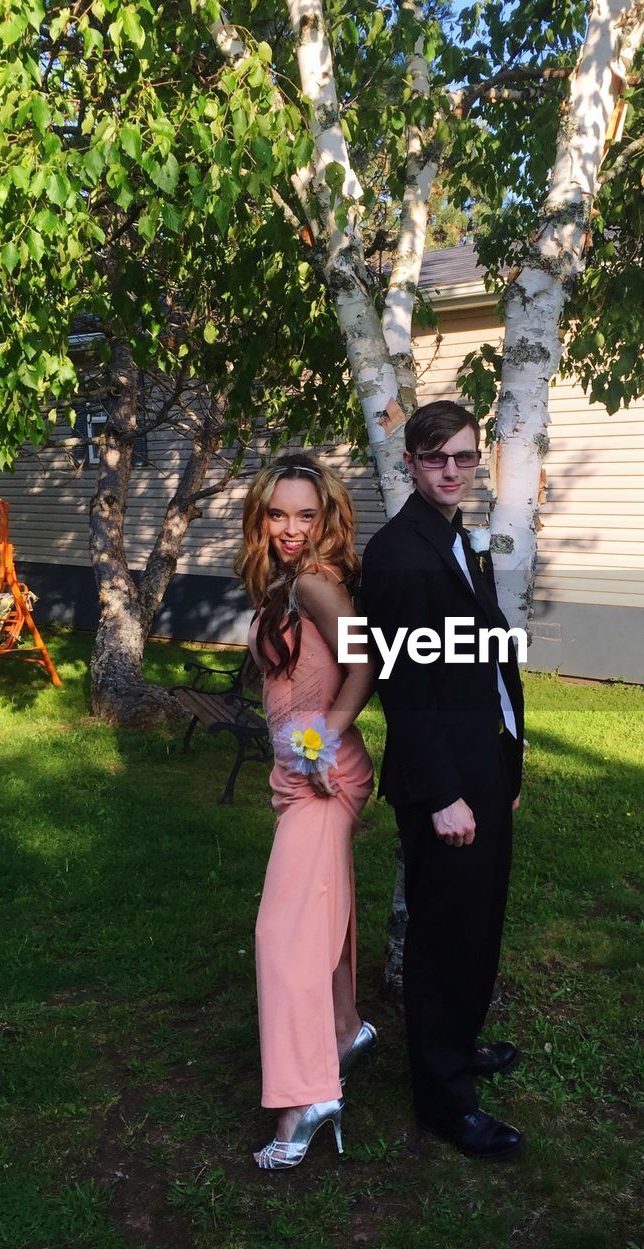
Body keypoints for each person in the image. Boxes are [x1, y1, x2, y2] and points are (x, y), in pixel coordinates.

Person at [359, 401, 526, 1157]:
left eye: (462, 457)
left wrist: (505, 762)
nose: (451, 471)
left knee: (479, 926)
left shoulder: (458, 537)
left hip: (482, 762)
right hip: (444, 779)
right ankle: (442, 1099)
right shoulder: (398, 552)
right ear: (411, 464)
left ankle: (457, 1048)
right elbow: (401, 687)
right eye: (435, 460)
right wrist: (442, 793)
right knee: (443, 940)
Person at [235, 454, 376, 1169]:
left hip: (323, 779)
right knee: (319, 913)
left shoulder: (317, 582)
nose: (292, 528)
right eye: (279, 513)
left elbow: (365, 660)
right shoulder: (286, 581)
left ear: (325, 518)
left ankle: (306, 1097)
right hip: (300, 777)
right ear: (262, 514)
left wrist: (327, 741)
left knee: (281, 935)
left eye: (306, 515)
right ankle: (346, 1029)